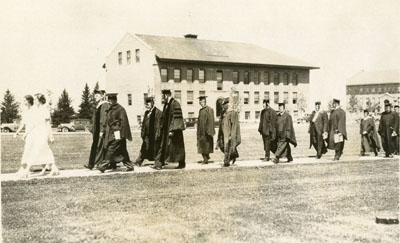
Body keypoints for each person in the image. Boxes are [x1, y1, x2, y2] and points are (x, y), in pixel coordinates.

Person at [98, 93, 134, 172]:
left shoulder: (120, 109)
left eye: (110, 100)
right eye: (108, 100)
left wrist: (122, 134)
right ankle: (129, 165)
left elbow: (124, 122)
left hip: (118, 133)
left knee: (111, 148)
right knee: (122, 150)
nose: (109, 102)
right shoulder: (111, 109)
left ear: (114, 100)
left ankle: (103, 165)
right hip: (113, 132)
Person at [152, 89, 186, 170]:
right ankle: (159, 163)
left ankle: (181, 163)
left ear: (166, 95)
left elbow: (176, 118)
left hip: (174, 131)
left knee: (177, 148)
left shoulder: (175, 104)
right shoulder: (166, 105)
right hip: (166, 130)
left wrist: (172, 130)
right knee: (163, 146)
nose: (162, 99)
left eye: (163, 97)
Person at [84, 89, 109, 170]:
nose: (95, 97)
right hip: (96, 130)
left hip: (101, 130)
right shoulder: (98, 105)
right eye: (95, 96)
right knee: (95, 146)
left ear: (102, 96)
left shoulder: (104, 105)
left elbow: (103, 119)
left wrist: (102, 131)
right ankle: (91, 164)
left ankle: (96, 164)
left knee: (100, 147)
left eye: (97, 96)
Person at [217, 89, 241, 167]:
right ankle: (233, 155)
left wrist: (232, 135)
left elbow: (234, 126)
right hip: (223, 134)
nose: (222, 107)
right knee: (222, 146)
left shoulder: (232, 113)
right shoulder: (223, 114)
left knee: (227, 147)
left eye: (224, 105)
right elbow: (221, 124)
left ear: (227, 105)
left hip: (229, 134)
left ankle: (226, 161)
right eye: (222, 106)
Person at [135, 97, 162, 166]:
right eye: (146, 103)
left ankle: (158, 162)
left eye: (149, 102)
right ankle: (139, 161)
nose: (147, 104)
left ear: (153, 103)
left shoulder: (158, 112)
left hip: (154, 134)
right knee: (144, 146)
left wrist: (157, 134)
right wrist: (142, 133)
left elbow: (158, 125)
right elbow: (144, 123)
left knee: (156, 148)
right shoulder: (146, 112)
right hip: (147, 135)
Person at [14, 95, 36, 177]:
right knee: (28, 151)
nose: (23, 101)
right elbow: (23, 123)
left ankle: (25, 169)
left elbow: (34, 124)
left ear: (28, 101)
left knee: (28, 151)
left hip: (33, 133)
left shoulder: (34, 110)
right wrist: (17, 132)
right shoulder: (25, 112)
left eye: (24, 100)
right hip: (28, 133)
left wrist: (25, 134)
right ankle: (24, 169)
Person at [197, 96, 215, 164]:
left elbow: (211, 121)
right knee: (201, 145)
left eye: (202, 101)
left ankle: (205, 159)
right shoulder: (201, 110)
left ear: (205, 101)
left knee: (206, 145)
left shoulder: (209, 109)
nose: (200, 103)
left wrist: (209, 131)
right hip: (201, 131)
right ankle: (206, 157)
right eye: (200, 102)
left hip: (206, 131)